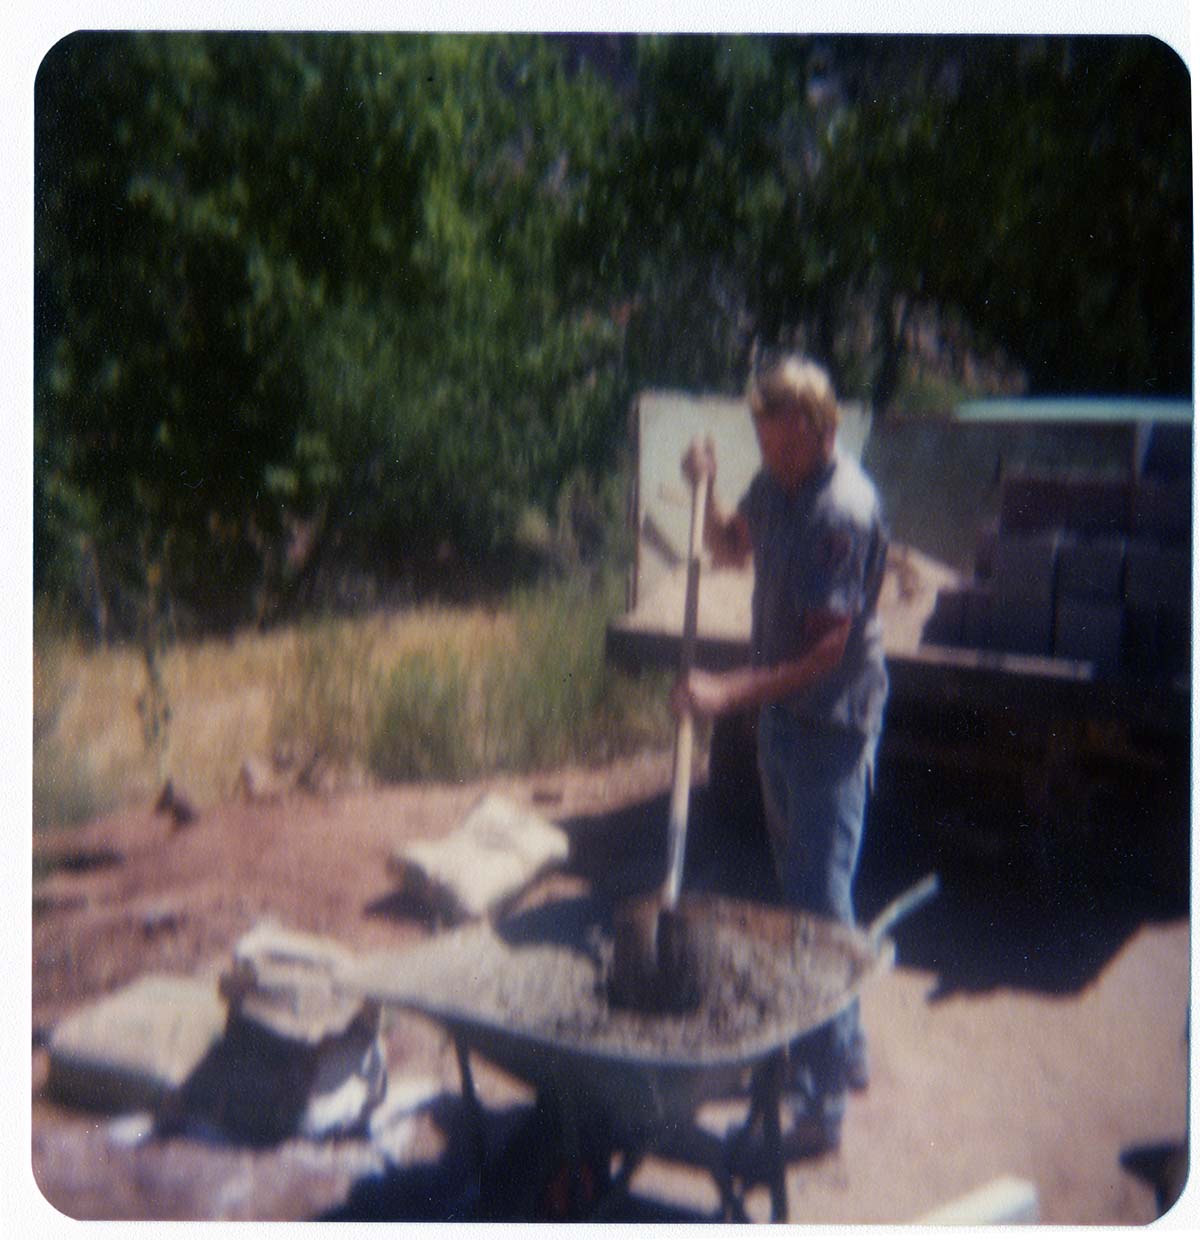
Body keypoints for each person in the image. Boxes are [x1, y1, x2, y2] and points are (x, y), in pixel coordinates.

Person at [674, 355, 889, 1152]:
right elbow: (734, 544)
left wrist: (726, 695)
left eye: (787, 449)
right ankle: (848, 1050)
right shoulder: (781, 483)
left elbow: (825, 652)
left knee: (815, 915)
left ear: (824, 431)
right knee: (813, 899)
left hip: (828, 724)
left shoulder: (844, 513)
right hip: (780, 720)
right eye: (763, 446)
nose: (776, 461)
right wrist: (709, 489)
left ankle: (818, 1105)